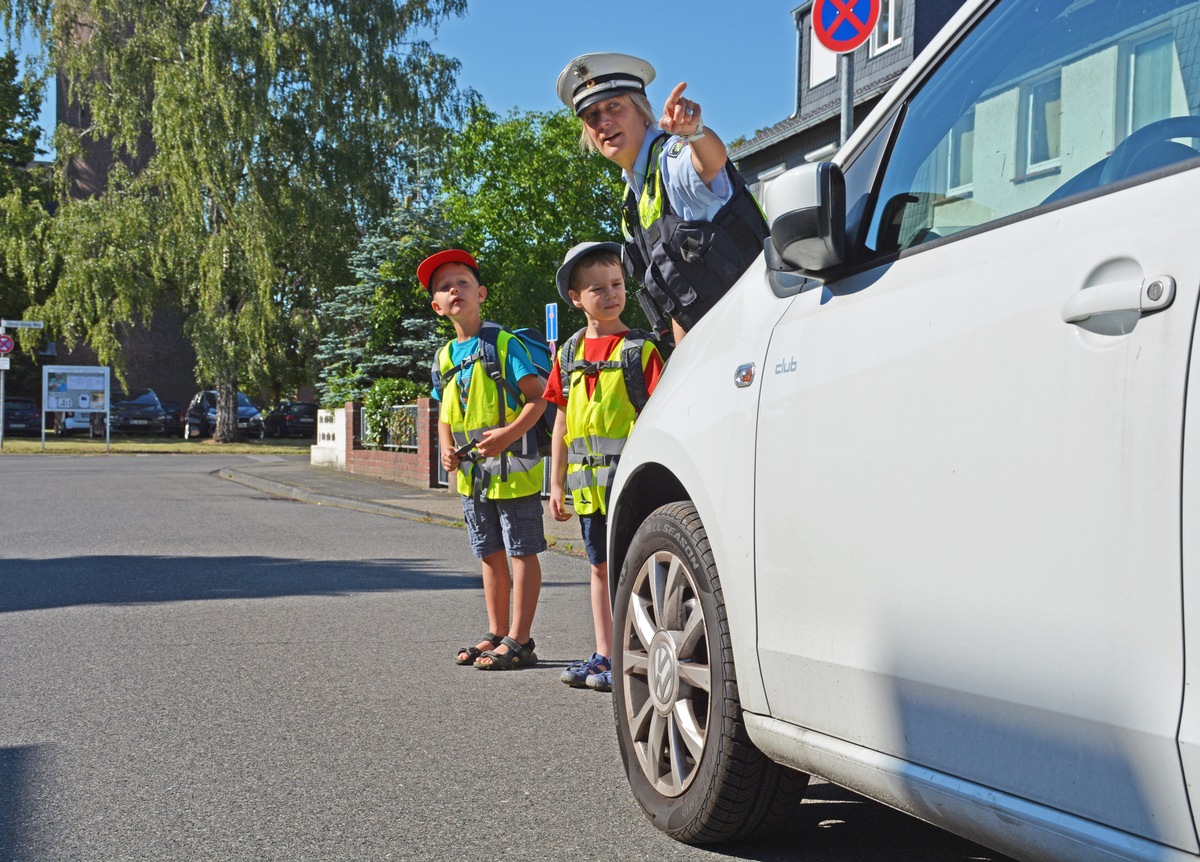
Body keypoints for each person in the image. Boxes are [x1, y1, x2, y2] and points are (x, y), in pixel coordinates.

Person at [556, 52, 768, 346]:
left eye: (614, 106)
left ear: (642, 112)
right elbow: (681, 303)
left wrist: (695, 132)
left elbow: (711, 163)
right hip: (719, 347)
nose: (603, 121)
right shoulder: (632, 201)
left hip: (762, 329)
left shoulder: (672, 158)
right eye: (591, 116)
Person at [543, 241, 664, 692]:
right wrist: (555, 484)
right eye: (598, 288)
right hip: (589, 490)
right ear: (576, 298)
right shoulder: (569, 354)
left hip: (632, 488)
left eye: (617, 285)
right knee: (599, 569)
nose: (612, 294)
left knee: (635, 569)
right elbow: (560, 422)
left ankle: (636, 655)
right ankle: (605, 654)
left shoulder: (639, 351)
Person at [418, 248, 547, 671]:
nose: (454, 289)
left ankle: (520, 639)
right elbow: (443, 414)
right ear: (437, 307)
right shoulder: (442, 358)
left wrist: (508, 434)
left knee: (521, 551)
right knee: (489, 552)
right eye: (444, 287)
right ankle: (496, 633)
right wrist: (444, 449)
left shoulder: (501, 344)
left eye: (463, 282)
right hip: (474, 479)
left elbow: (537, 398)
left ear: (481, 293)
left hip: (514, 473)